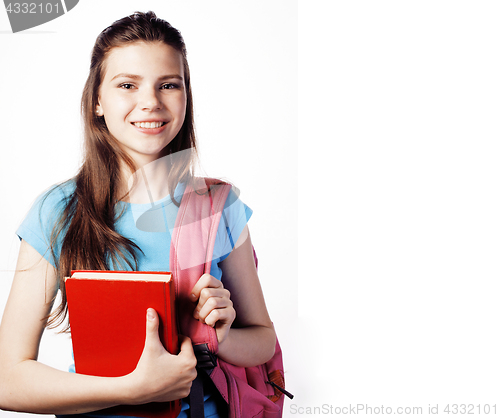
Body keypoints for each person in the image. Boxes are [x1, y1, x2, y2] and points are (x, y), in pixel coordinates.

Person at [0, 11, 276, 418]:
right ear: (97, 100)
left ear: (186, 97)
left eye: (168, 85)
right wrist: (133, 389)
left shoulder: (218, 205)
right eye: (127, 84)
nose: (150, 101)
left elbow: (263, 340)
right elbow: (8, 380)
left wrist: (220, 337)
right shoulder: (58, 211)